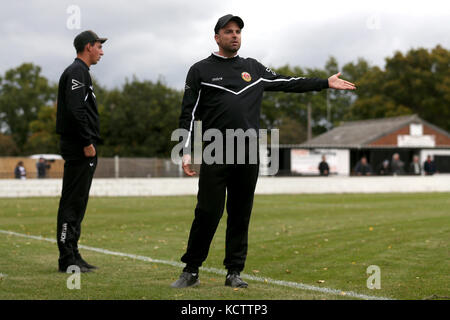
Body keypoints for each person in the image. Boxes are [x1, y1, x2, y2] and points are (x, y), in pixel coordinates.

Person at [171, 14, 356, 289]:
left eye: (238, 31)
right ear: (217, 37)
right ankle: (191, 270)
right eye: (229, 31)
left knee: (240, 213)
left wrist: (324, 83)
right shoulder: (200, 70)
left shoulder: (253, 68)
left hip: (247, 153)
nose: (235, 35)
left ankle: (234, 271)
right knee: (208, 212)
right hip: (215, 152)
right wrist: (184, 151)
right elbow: (189, 113)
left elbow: (288, 82)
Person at [55, 30, 106, 273]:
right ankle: (67, 258)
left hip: (83, 147)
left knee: (79, 202)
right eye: (99, 46)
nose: (101, 51)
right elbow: (76, 110)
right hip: (79, 148)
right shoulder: (77, 71)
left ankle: (73, 253)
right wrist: (87, 142)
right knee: (72, 203)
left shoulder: (82, 73)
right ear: (88, 47)